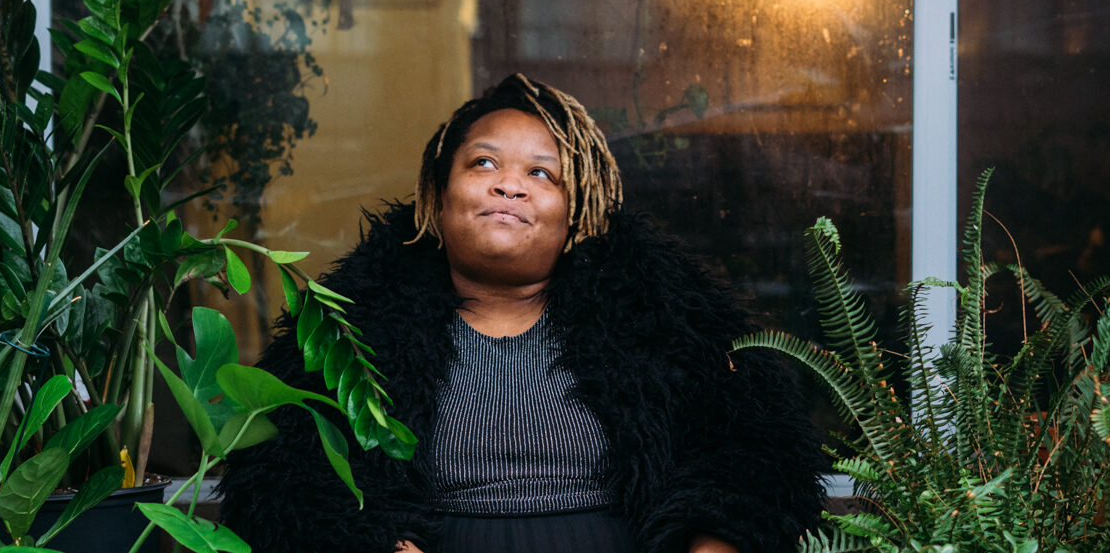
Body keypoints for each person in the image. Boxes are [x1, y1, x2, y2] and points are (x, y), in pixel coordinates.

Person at [216, 74, 824, 553]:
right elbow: (281, 476)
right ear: (437, 193)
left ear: (577, 211)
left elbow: (759, 450)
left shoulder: (664, 316)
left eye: (542, 173)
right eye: (483, 163)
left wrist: (714, 545)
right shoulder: (349, 328)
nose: (510, 185)